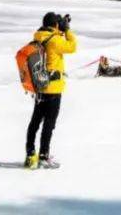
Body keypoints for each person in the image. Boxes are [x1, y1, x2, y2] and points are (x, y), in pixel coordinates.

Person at [25, 11, 77, 169]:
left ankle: (30, 154)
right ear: (55, 25)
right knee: (49, 123)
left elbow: (52, 37)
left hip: (40, 86)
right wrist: (67, 29)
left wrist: (59, 29)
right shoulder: (55, 41)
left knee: (35, 121)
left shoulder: (38, 37)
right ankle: (43, 156)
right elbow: (72, 46)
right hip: (53, 88)